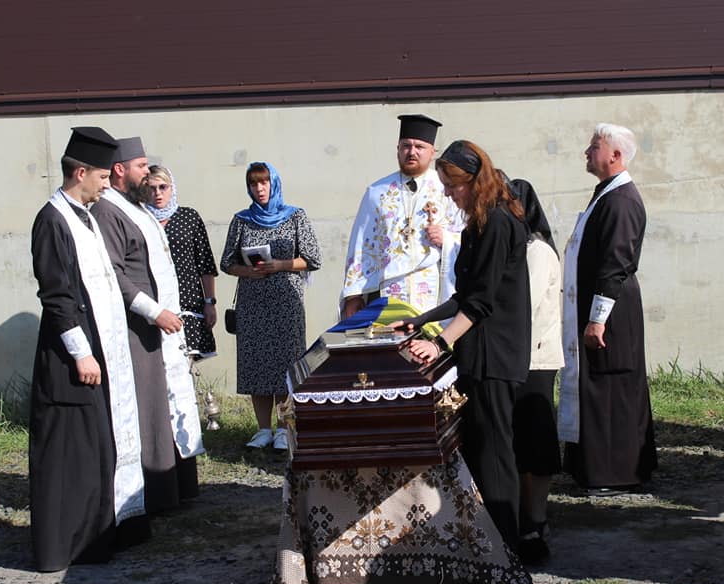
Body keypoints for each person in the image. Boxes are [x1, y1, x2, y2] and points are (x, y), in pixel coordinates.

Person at [393, 140, 530, 552]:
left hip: (495, 354)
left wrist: (439, 343)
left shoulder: (499, 223)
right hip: (479, 352)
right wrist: (420, 321)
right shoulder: (480, 223)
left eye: (454, 186)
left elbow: (481, 302)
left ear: (474, 181)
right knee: (479, 451)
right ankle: (489, 546)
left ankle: (507, 550)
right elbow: (464, 295)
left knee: (495, 455)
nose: (450, 195)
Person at [29, 127, 148, 571]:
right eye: (100, 176)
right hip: (69, 356)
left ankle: (100, 534)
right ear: (80, 173)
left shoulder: (86, 215)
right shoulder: (52, 220)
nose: (105, 184)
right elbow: (56, 293)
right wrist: (81, 353)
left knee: (97, 444)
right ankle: (66, 542)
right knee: (71, 449)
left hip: (101, 343)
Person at [91, 137, 203, 515]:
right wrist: (154, 312)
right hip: (139, 328)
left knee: (170, 401)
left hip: (163, 325)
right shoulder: (108, 211)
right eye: (141, 166)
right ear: (119, 170)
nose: (147, 173)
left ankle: (178, 487)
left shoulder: (136, 207)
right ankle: (155, 493)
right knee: (150, 407)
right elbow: (115, 274)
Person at [558, 123, 657, 496]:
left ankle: (616, 473)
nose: (587, 152)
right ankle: (592, 467)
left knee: (612, 387)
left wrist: (597, 319)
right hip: (599, 306)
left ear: (615, 155)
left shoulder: (622, 200)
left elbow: (616, 262)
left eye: (594, 146)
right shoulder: (606, 194)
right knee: (597, 384)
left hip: (612, 312)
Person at [220, 162, 321, 450]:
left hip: (286, 303)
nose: (259, 188)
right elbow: (226, 262)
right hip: (253, 305)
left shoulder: (295, 216)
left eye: (264, 182)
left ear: (273, 184)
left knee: (285, 364)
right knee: (256, 364)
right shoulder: (242, 220)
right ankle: (263, 429)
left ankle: (284, 428)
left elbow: (313, 258)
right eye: (253, 183)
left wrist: (280, 265)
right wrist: (247, 271)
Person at [340, 114, 464, 319]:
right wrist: (354, 295)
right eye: (406, 146)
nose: (412, 152)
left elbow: (469, 237)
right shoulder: (377, 192)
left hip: (435, 286)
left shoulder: (447, 188)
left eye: (419, 147)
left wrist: (446, 239)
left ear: (432, 152)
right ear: (397, 149)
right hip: (388, 287)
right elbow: (360, 244)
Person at [508, 178, 565, 563]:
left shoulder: (536, 251)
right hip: (518, 357)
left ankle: (536, 518)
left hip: (534, 360)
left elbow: (522, 308)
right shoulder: (518, 247)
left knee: (535, 443)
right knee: (520, 443)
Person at [144, 165, 218, 360]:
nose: (158, 193)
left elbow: (206, 264)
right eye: (152, 188)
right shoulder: (140, 219)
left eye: (163, 187)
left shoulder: (189, 217)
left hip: (188, 302)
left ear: (172, 188)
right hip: (154, 302)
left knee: (186, 362)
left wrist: (210, 302)